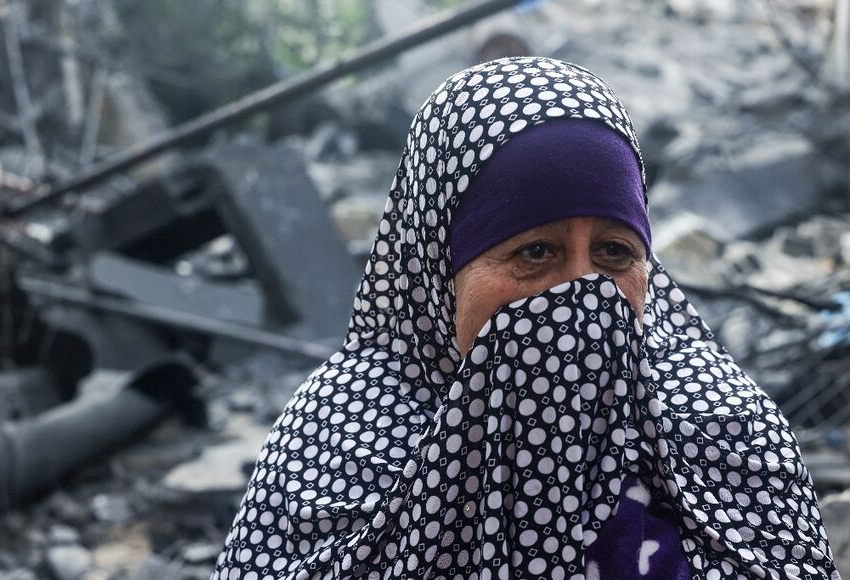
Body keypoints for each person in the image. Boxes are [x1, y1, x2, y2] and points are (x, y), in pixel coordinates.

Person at [212, 57, 840, 579]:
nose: (582, 294)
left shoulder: (720, 431)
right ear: (438, 268)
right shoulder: (339, 451)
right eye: (534, 252)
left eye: (614, 253)